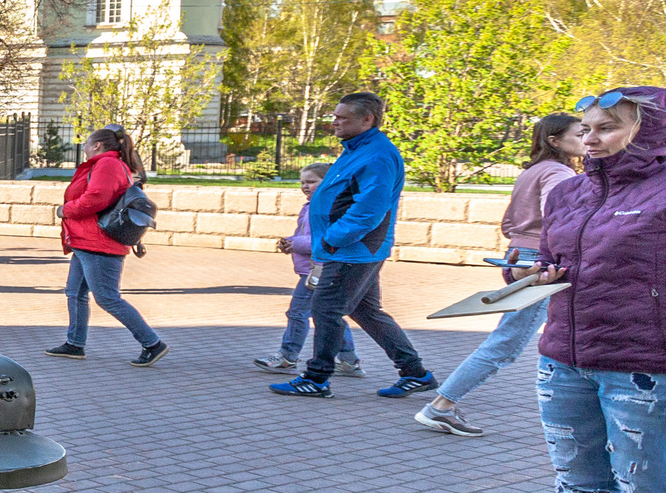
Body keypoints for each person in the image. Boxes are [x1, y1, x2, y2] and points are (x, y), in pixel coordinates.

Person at [492, 88, 666, 493]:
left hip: (643, 366)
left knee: (652, 491)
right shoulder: (570, 191)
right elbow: (562, 261)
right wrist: (531, 273)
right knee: (579, 485)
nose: (590, 138)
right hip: (565, 357)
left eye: (608, 127)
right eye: (587, 128)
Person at [416, 111, 586, 436]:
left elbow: (509, 222)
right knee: (507, 342)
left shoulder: (533, 170)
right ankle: (441, 406)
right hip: (541, 260)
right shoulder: (559, 172)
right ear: (555, 140)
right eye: (580, 134)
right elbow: (560, 214)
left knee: (564, 331)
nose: (588, 139)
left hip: (520, 254)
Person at [269, 92, 434, 400]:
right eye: (335, 116)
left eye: (342, 118)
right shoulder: (358, 149)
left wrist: (332, 240)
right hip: (351, 249)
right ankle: (415, 373)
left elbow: (368, 209)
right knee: (367, 311)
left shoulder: (377, 155)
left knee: (326, 308)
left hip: (352, 250)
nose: (334, 123)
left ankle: (317, 378)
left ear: (367, 119)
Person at [47, 126, 168, 365]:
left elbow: (96, 198)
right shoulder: (105, 164)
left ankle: (152, 343)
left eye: (86, 143)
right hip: (86, 241)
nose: (83, 148)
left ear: (97, 145)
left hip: (99, 242)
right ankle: (75, 344)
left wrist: (65, 210)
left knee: (107, 297)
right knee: (76, 293)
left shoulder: (107, 165)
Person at [251, 164, 364, 379]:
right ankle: (349, 360)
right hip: (315, 268)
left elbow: (321, 240)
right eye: (302, 182)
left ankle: (287, 356)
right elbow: (307, 235)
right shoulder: (314, 204)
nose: (305, 186)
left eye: (311, 182)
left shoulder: (324, 207)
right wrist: (290, 242)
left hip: (318, 269)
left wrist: (295, 244)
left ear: (328, 182)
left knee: (298, 312)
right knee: (330, 314)